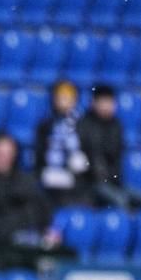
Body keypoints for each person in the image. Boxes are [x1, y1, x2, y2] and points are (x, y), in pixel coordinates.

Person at [0, 131, 60, 267]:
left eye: (8, 153)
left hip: (28, 247)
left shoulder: (27, 181)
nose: (4, 158)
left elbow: (43, 213)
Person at [77, 84, 141, 210]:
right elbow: (89, 159)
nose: (107, 106)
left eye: (110, 102)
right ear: (94, 103)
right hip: (92, 184)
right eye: (104, 102)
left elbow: (116, 157)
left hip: (115, 184)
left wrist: (114, 178)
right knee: (120, 201)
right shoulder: (84, 126)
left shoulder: (116, 126)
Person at [35, 80, 90, 208]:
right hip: (50, 181)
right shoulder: (45, 125)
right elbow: (39, 154)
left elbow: (90, 154)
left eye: (68, 98)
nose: (64, 102)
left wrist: (84, 164)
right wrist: (43, 172)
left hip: (77, 184)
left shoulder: (84, 125)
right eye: (60, 97)